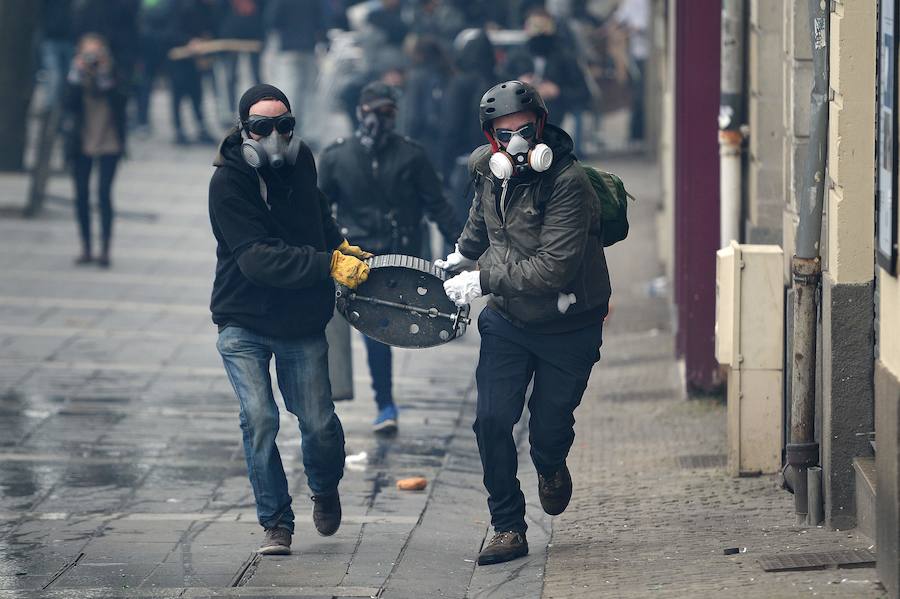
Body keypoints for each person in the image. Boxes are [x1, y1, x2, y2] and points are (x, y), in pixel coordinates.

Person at [436, 81, 611, 566]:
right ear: (489, 136)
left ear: (541, 125)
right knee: (491, 422)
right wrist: (462, 255)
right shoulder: (486, 169)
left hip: (569, 323)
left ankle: (551, 464)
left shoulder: (568, 183)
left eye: (525, 131)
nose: (516, 142)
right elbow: (482, 218)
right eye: (504, 133)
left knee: (548, 431)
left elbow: (553, 269)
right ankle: (508, 526)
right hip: (508, 319)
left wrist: (482, 278)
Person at [208, 84, 372, 555]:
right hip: (243, 318)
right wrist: (327, 263)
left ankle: (325, 487)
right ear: (245, 131)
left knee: (318, 422)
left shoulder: (302, 163)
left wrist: (340, 247)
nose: (275, 135)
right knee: (260, 418)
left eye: (285, 124)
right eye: (262, 127)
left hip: (300, 319)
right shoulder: (228, 182)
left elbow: (316, 213)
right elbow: (257, 259)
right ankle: (276, 522)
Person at [318, 81, 463, 435]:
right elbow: (318, 211)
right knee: (370, 329)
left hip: (400, 257)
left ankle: (384, 403)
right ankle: (378, 402)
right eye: (372, 112)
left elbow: (438, 206)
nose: (378, 121)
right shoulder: (337, 156)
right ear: (359, 112)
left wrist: (464, 249)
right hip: (357, 260)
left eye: (387, 113)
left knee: (380, 329)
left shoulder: (412, 156)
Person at [63, 34, 128, 268]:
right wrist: (77, 73)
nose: (92, 58)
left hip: (109, 141)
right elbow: (66, 104)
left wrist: (103, 73)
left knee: (103, 194)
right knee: (81, 195)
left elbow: (122, 100)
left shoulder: (113, 74)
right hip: (81, 142)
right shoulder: (75, 76)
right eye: (87, 53)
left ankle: (105, 249)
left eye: (96, 53)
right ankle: (86, 247)